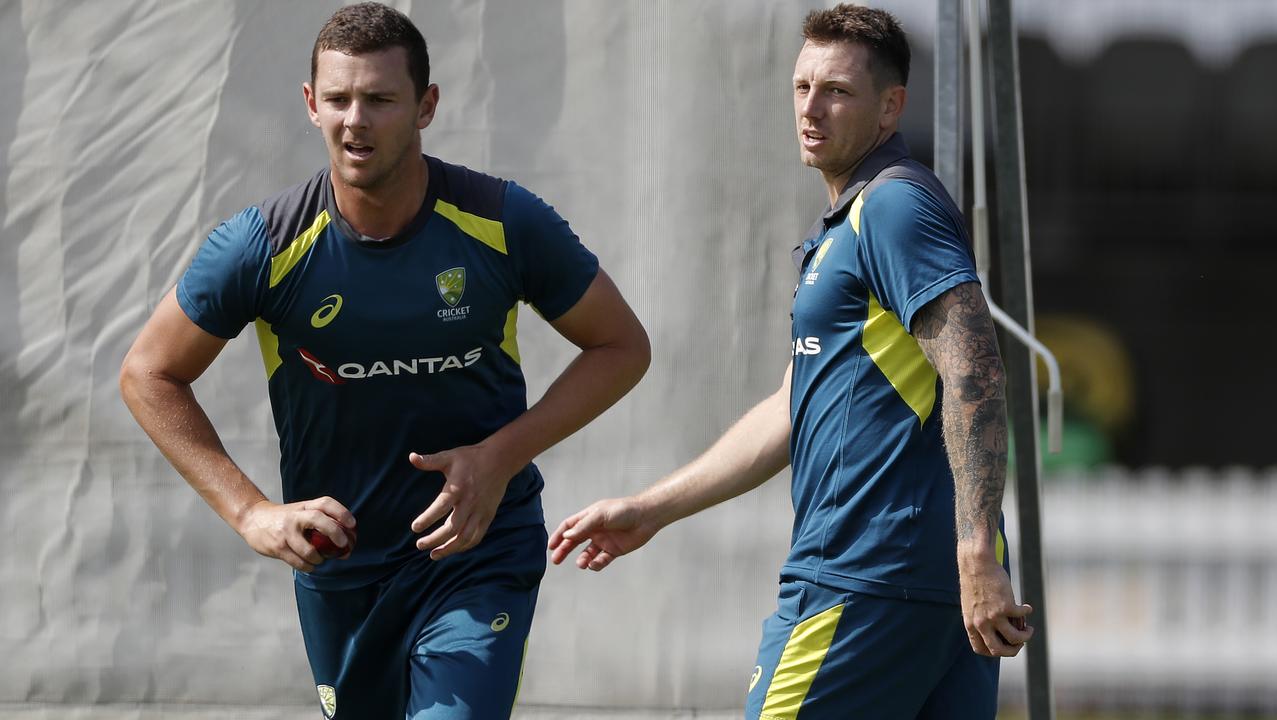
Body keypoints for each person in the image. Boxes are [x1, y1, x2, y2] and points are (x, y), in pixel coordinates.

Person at [119, 3, 649, 718]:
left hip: (475, 554)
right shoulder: (262, 245)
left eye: (379, 99)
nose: (355, 120)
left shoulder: (502, 222)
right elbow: (148, 373)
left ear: (426, 106)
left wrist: (497, 459)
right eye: (337, 99)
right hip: (342, 566)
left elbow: (621, 346)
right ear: (311, 105)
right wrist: (250, 514)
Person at [549, 5, 1032, 718]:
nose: (811, 107)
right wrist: (651, 509)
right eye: (802, 87)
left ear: (890, 106)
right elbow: (789, 408)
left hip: (865, 576)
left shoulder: (894, 207)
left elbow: (975, 373)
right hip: (919, 587)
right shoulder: (846, 225)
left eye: (836, 90)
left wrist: (974, 552)